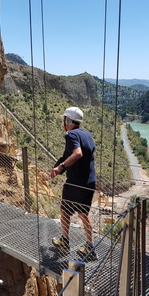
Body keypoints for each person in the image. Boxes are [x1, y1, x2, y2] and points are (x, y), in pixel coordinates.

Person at [50, 106, 98, 260]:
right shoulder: (87, 134)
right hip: (90, 182)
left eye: (65, 119)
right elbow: (71, 155)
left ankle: (64, 240)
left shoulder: (71, 135)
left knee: (65, 211)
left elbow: (77, 154)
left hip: (76, 183)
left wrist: (61, 167)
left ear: (68, 121)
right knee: (84, 214)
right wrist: (59, 167)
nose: (64, 122)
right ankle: (90, 248)